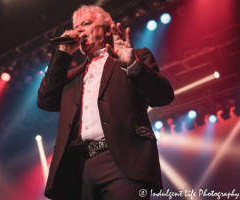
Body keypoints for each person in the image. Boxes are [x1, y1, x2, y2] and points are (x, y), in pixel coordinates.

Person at [37, 5, 174, 200]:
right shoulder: (71, 76)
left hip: (122, 162)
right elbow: (45, 101)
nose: (79, 30)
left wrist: (132, 66)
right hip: (78, 167)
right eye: (76, 27)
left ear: (107, 29)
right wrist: (63, 53)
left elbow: (163, 96)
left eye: (86, 24)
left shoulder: (135, 57)